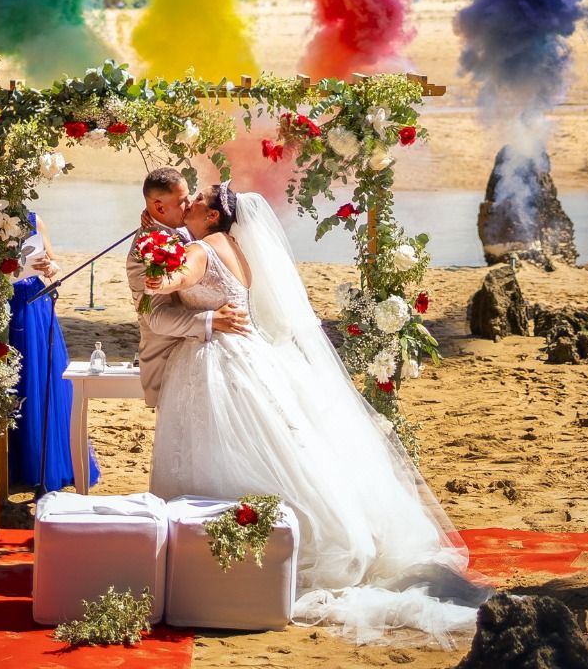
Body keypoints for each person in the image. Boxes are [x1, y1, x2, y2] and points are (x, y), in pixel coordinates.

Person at [146, 183, 486, 644]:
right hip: (246, 353)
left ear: (211, 217)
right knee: (269, 443)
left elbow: (176, 280)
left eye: (199, 198)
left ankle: (214, 560)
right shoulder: (234, 246)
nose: (190, 203)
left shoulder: (204, 249)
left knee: (220, 445)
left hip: (216, 360)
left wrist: (157, 277)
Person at [0, 211, 90, 492]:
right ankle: (2, 464)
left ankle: (38, 462)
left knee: (35, 379)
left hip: (32, 304)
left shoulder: (36, 220)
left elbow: (53, 263)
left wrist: (49, 266)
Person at [126, 167, 252, 409]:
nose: (190, 204)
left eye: (191, 197)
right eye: (183, 201)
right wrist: (210, 320)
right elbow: (156, 318)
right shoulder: (145, 250)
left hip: (212, 354)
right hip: (171, 360)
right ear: (160, 207)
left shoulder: (188, 230)